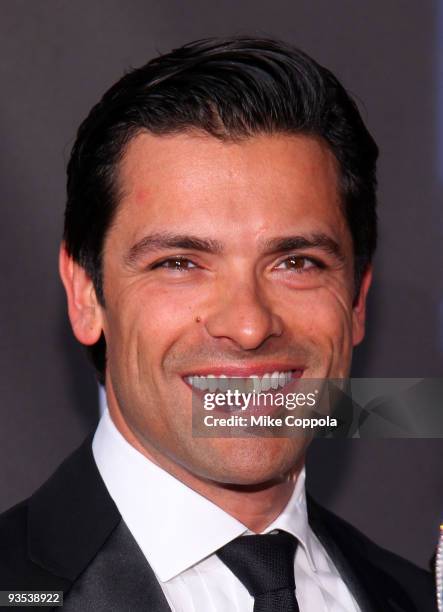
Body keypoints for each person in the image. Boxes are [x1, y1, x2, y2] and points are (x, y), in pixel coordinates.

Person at [0, 37, 434, 611]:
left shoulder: (416, 597)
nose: (250, 325)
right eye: (180, 263)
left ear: (357, 300)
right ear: (86, 294)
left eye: (296, 263)